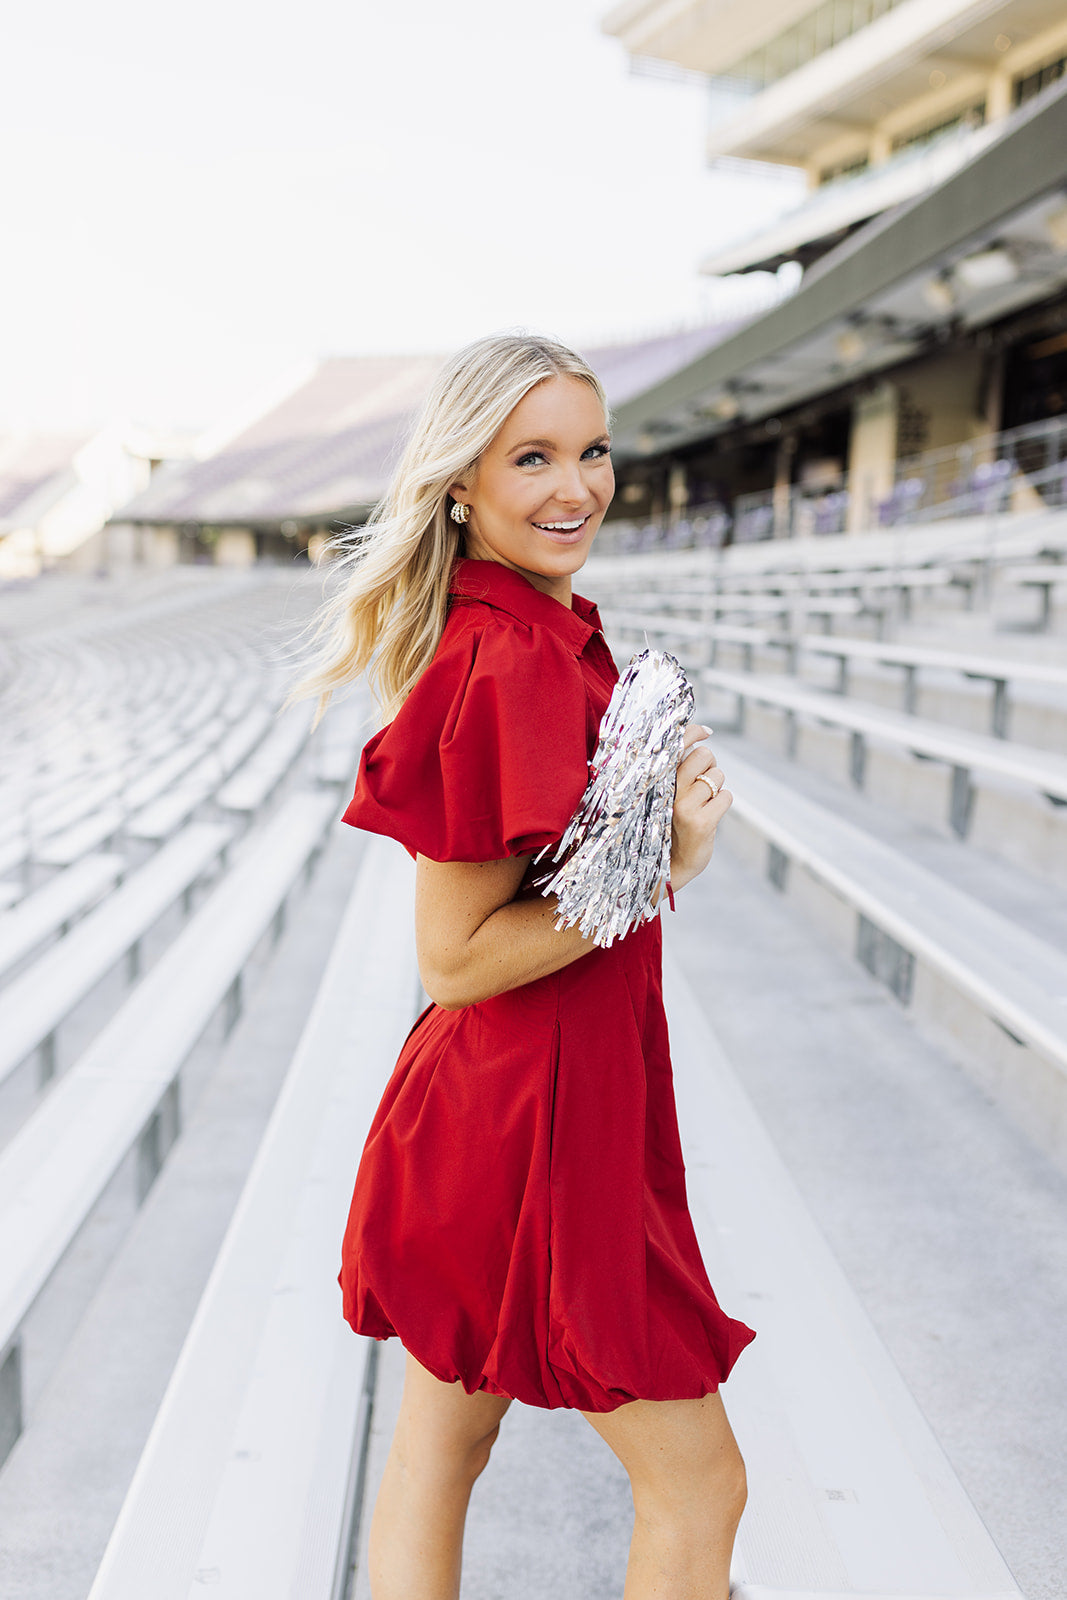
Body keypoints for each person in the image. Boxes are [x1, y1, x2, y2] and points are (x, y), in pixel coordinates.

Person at [293, 332, 755, 1600]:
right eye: (531, 456)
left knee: (441, 1450)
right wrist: (661, 857)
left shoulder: (530, 633)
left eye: (591, 450)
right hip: (525, 1129)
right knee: (700, 1485)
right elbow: (452, 956)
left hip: (518, 1107)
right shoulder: (503, 657)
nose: (574, 487)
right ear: (460, 484)